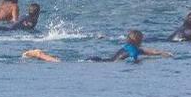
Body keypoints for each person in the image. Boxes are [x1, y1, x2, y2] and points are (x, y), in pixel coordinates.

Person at [24, 29, 171, 63]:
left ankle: (40, 55)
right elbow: (138, 56)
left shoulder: (128, 46)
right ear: (139, 40)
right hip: (101, 63)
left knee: (63, 61)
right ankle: (39, 54)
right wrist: (161, 54)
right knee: (62, 63)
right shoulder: (134, 49)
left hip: (100, 60)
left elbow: (148, 51)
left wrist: (161, 53)